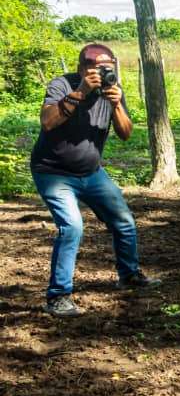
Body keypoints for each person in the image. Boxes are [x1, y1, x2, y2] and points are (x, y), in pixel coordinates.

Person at [31, 43, 160, 317]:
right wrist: (81, 93)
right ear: (81, 69)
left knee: (124, 222)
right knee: (72, 227)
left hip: (91, 172)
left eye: (108, 69)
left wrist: (116, 105)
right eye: (97, 69)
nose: (103, 74)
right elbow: (47, 122)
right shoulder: (62, 85)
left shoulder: (113, 89)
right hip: (54, 172)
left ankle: (129, 275)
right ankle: (58, 296)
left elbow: (126, 133)